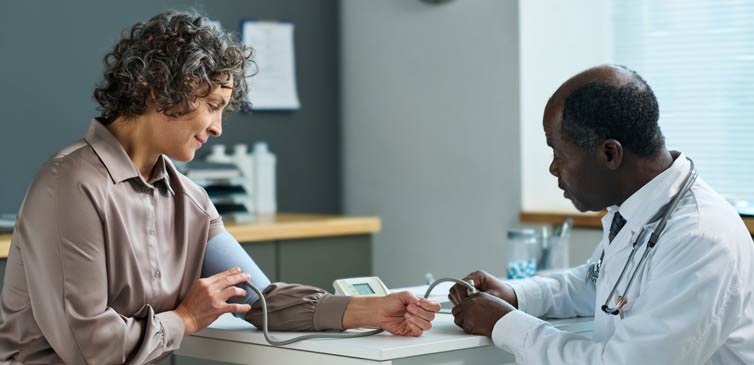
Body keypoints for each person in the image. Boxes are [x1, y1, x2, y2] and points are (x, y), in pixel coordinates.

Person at [0, 11, 439, 364]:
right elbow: (87, 348)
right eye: (212, 106)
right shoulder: (71, 185)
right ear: (158, 90)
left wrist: (368, 311)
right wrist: (187, 318)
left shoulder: (190, 201)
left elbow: (260, 301)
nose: (217, 127)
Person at [449, 65, 754, 364]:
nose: (553, 168)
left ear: (610, 154)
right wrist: (516, 294)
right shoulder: (638, 208)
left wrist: (505, 323)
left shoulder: (700, 240)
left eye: (558, 154)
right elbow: (600, 283)